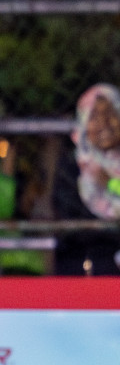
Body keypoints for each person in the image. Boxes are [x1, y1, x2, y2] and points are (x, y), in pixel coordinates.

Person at [53, 84, 120, 275]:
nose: (104, 123)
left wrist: (110, 183)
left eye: (111, 114)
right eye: (94, 117)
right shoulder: (72, 166)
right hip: (81, 263)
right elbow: (71, 222)